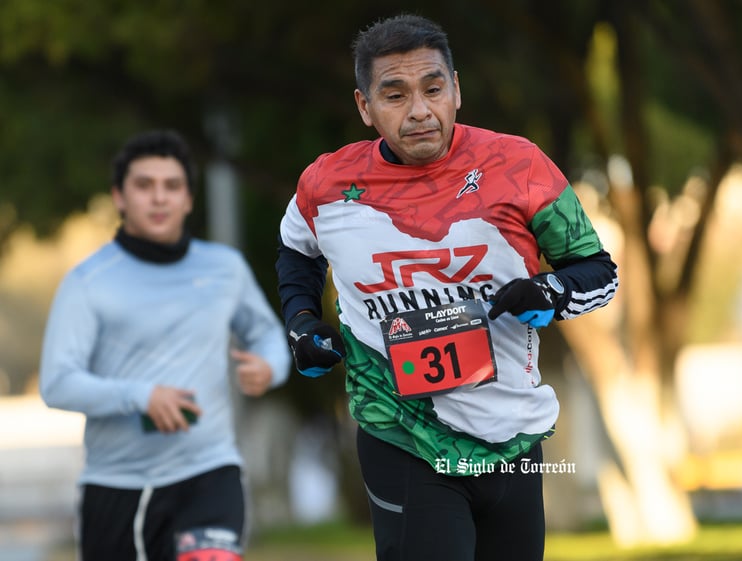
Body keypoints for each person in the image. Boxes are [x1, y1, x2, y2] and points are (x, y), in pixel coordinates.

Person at [276, 14, 618, 561]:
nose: (418, 110)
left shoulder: (521, 166)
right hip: (401, 434)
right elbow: (296, 248)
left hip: (515, 438)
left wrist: (549, 293)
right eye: (394, 95)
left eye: (433, 89)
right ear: (364, 107)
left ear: (456, 90)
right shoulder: (326, 185)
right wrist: (300, 321)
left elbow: (598, 271)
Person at [40, 130, 291, 561]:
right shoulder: (88, 282)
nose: (159, 198)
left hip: (210, 471)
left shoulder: (224, 268)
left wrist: (269, 366)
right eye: (144, 186)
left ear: (189, 199)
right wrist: (141, 396)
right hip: (118, 486)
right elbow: (57, 383)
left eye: (172, 186)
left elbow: (268, 334)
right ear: (119, 196)